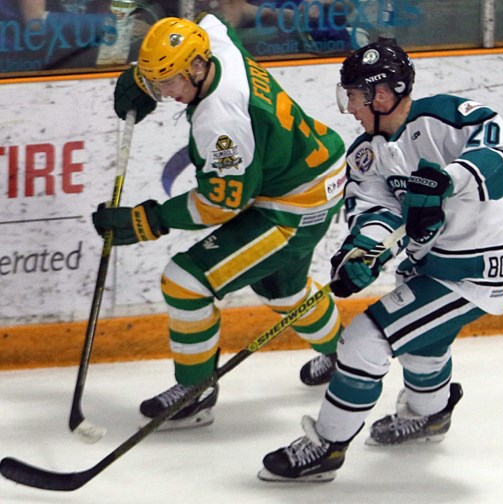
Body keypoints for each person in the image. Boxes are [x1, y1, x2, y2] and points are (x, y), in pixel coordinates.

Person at [258, 39, 503, 482]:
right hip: (428, 265)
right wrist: (362, 254)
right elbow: (376, 212)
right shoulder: (366, 154)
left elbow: (498, 156)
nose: (350, 108)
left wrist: (446, 180)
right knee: (423, 348)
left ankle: (326, 446)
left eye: (353, 97)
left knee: (365, 339)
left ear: (380, 95)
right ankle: (429, 416)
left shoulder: (445, 117)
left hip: (472, 267)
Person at [94, 14, 348, 430]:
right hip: (310, 168)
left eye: (169, 82)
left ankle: (195, 390)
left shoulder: (221, 122)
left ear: (197, 68)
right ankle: (347, 356)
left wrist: (150, 219)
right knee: (283, 290)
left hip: (294, 203)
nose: (165, 93)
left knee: (186, 281)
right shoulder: (213, 44)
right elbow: (211, 21)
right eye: (157, 83)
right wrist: (141, 77)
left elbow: (222, 203)